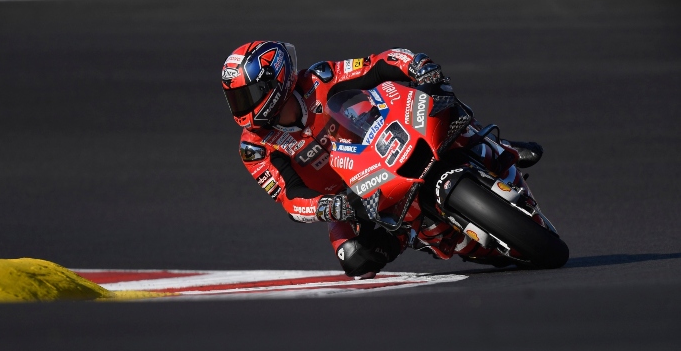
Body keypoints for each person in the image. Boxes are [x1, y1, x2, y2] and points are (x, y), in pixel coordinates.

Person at [221, 41, 542, 278]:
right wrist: (330, 207)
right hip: (346, 195)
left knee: (437, 99)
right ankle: (415, 235)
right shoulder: (256, 147)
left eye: (246, 96)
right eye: (235, 99)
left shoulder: (320, 79)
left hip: (378, 142)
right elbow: (289, 198)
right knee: (355, 260)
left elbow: (379, 62)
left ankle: (490, 144)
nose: (241, 107)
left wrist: (419, 67)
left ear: (274, 83)